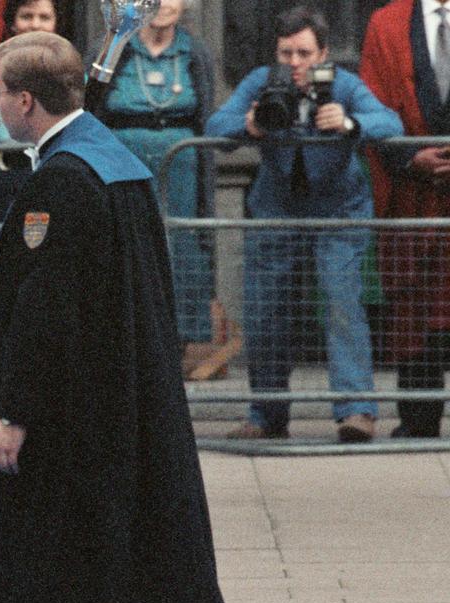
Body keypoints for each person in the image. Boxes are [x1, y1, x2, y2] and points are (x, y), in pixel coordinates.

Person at [0, 31, 246, 603]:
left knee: (60, 580)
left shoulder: (60, 181)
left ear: (26, 100)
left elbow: (49, 307)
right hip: (122, 404)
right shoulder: (115, 166)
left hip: (68, 427)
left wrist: (13, 409)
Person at [206, 6, 402, 443]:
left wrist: (350, 123)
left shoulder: (343, 84)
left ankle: (356, 412)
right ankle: (266, 415)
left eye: (304, 53)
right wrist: (249, 124)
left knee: (341, 303)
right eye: (286, 53)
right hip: (274, 211)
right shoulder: (262, 81)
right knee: (266, 312)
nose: (294, 63)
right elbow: (215, 124)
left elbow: (390, 121)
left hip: (339, 212)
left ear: (324, 53)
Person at [85, 0, 217, 356]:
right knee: (128, 246)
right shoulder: (114, 45)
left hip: (181, 168)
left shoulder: (195, 52)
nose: (162, 5)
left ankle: (177, 345)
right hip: (125, 162)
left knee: (182, 249)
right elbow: (90, 105)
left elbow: (206, 114)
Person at [360, 0, 450, 438]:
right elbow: (371, 104)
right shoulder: (387, 23)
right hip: (413, 197)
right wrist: (412, 157)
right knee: (414, 310)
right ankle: (418, 419)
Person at [0, 0, 57, 223]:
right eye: (26, 16)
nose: (35, 24)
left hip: (54, 172)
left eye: (45, 17)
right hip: (6, 173)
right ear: (12, 23)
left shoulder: (70, 69)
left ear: (56, 23)